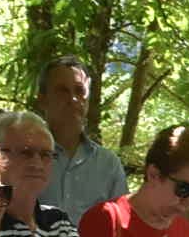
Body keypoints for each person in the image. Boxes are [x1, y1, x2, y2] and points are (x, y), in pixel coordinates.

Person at [36, 59, 127, 220]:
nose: (73, 99)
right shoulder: (26, 157)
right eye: (62, 91)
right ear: (43, 99)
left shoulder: (108, 165)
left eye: (79, 91)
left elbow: (122, 226)